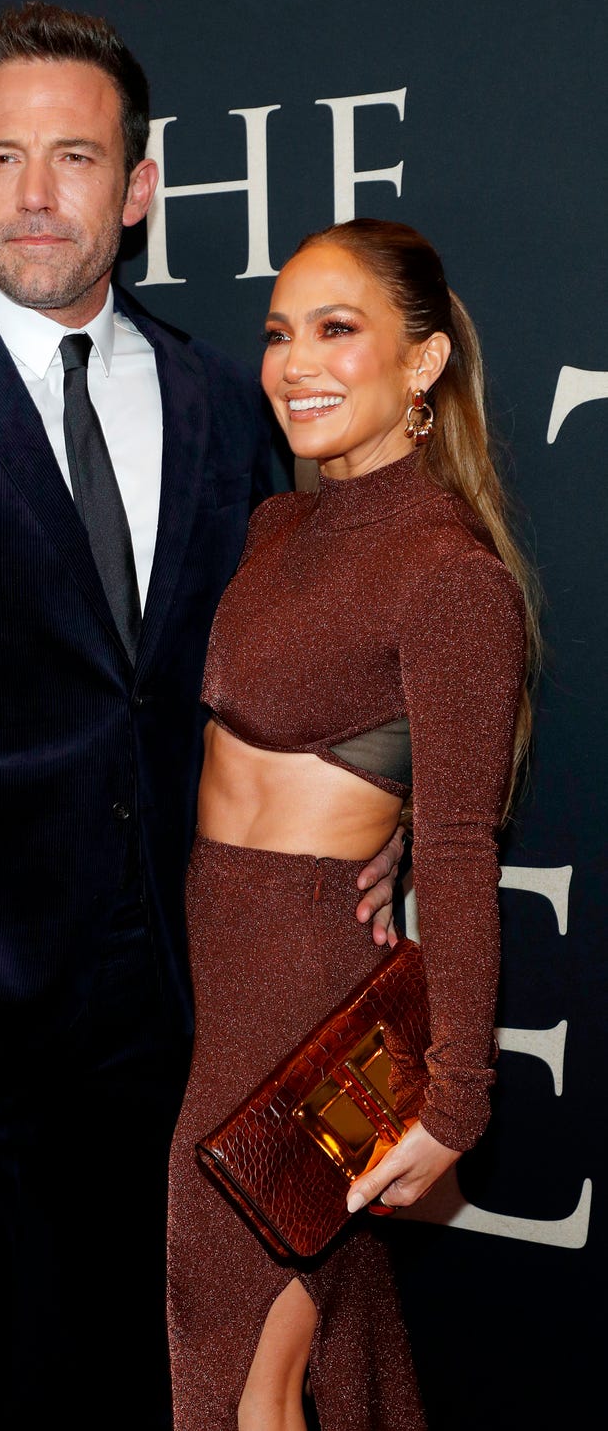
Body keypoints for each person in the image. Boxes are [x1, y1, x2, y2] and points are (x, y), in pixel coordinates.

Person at [0, 3, 401, 1431]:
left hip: (175, 1009)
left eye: (77, 157)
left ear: (140, 186)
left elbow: (281, 675)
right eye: (4, 158)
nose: (39, 195)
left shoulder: (228, 403)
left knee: (142, 1382)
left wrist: (377, 822)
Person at [165, 218, 538, 1431]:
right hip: (223, 971)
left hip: (302, 997)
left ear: (422, 363)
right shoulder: (278, 528)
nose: (294, 363)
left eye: (336, 330)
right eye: (278, 334)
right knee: (319, 1352)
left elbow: (460, 848)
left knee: (228, 1383)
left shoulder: (447, 573)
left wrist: (457, 1100)